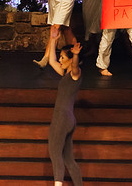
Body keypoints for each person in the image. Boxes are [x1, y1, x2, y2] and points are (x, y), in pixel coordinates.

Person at [47, 38, 83, 186]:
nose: (60, 59)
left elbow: (75, 67)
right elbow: (51, 61)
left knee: (55, 154)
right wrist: (53, 39)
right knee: (68, 159)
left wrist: (75, 55)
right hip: (68, 119)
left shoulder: (75, 74)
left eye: (63, 57)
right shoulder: (65, 74)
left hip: (61, 118)